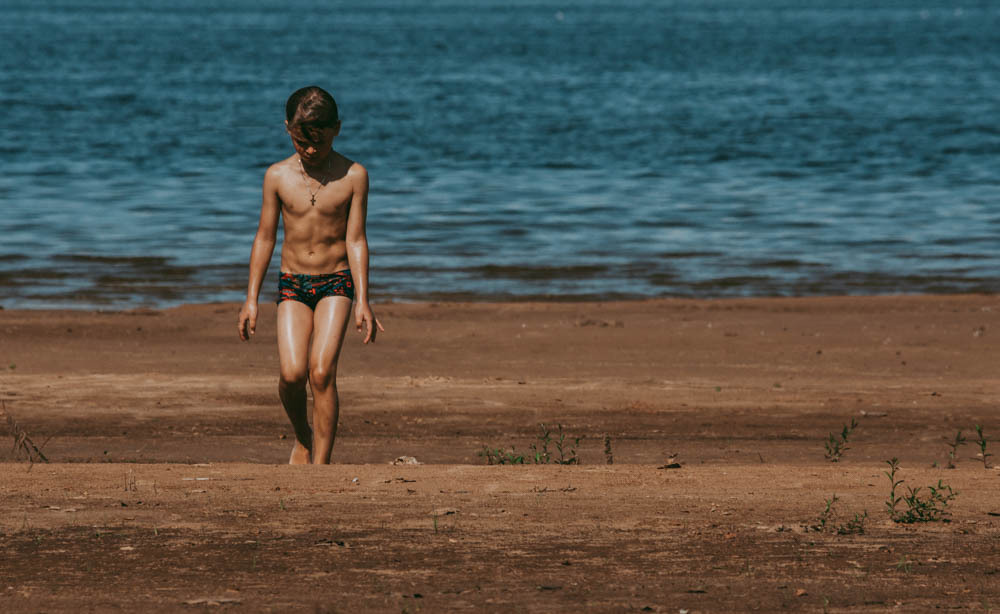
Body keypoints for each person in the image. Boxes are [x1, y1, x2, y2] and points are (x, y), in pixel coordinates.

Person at [237, 86, 383, 464]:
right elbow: (265, 236)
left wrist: (363, 300)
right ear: (288, 130)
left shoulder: (354, 176)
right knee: (291, 375)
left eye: (318, 141)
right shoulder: (277, 176)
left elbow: (356, 239)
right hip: (293, 284)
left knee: (320, 373)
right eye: (302, 142)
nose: (311, 150)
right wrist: (251, 299)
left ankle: (321, 467)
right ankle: (303, 435)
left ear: (337, 128)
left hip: (336, 283)